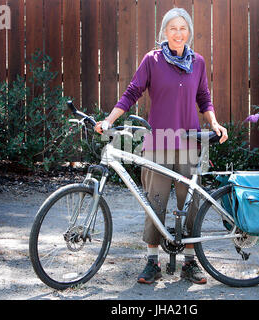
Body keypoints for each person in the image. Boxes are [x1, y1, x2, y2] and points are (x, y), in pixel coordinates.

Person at [95, 7, 228, 284]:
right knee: (154, 201)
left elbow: (204, 98)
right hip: (159, 141)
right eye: (172, 28)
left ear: (188, 32)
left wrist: (214, 123)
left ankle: (190, 263)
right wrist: (109, 119)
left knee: (189, 203)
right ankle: (152, 262)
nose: (178, 33)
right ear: (164, 33)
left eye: (183, 28)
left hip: (190, 140)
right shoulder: (152, 60)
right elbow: (132, 91)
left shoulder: (198, 62)